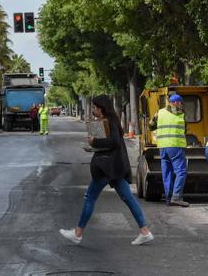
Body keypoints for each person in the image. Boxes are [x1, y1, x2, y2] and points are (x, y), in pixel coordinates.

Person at [59, 95, 154, 246]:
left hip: (107, 168)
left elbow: (114, 142)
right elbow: (111, 143)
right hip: (114, 168)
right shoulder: (110, 121)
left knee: (90, 197)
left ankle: (77, 233)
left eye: (95, 107)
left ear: (102, 108)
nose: (93, 110)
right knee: (128, 198)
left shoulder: (110, 121)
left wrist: (95, 141)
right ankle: (145, 231)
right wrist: (93, 147)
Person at [149, 94, 189, 207]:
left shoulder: (159, 112)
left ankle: (168, 198)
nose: (181, 105)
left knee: (167, 173)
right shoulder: (181, 114)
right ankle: (176, 197)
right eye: (180, 102)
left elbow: (151, 126)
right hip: (175, 146)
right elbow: (185, 130)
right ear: (176, 103)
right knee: (181, 171)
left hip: (162, 147)